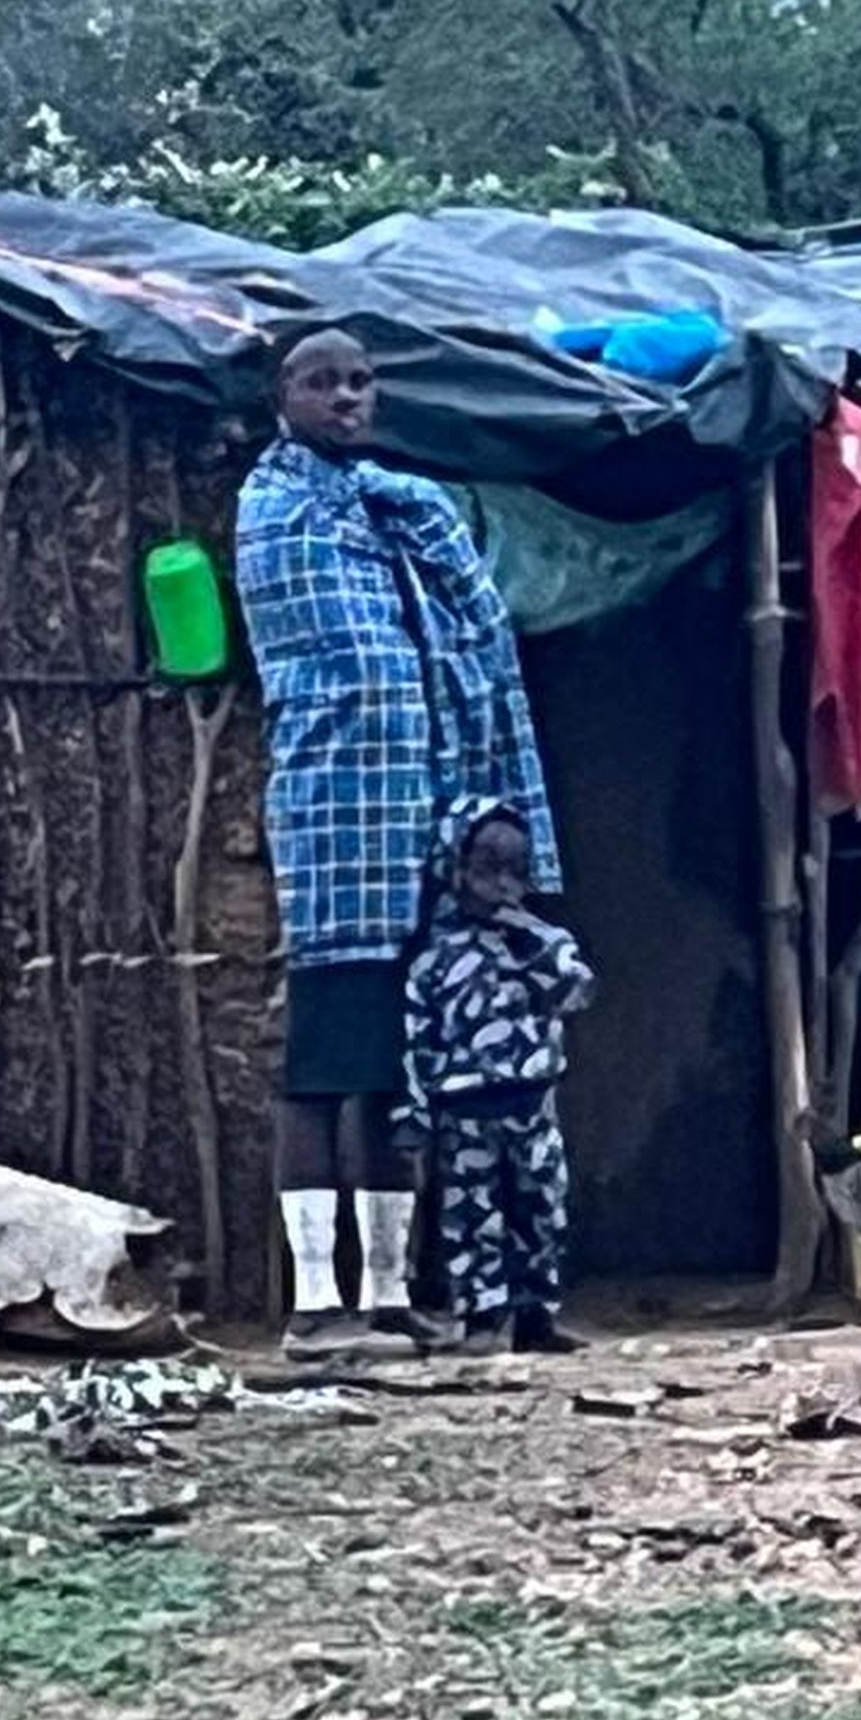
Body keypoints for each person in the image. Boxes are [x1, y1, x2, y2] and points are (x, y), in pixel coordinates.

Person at [235, 325, 563, 1351]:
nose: (347, 398)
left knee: (390, 1077)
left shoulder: (408, 512)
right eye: (322, 382)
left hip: (421, 832)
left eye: (361, 382)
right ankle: (314, 1307)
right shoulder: (277, 512)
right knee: (322, 1073)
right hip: (339, 828)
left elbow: (452, 653)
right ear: (279, 396)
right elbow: (335, 663)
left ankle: (383, 1295)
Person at [400, 799, 591, 1355]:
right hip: (463, 1107)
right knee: (471, 1217)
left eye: (513, 872)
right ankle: (483, 1318)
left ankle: (537, 1316)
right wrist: (412, 1112)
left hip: (533, 1101)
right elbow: (416, 1036)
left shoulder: (547, 943)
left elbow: (577, 992)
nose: (501, 887)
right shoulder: (435, 957)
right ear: (456, 872)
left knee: (543, 1210)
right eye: (487, 872)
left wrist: (530, 940)